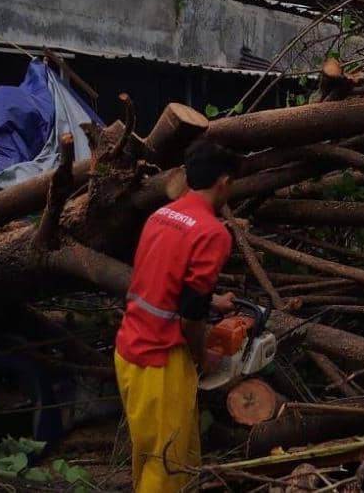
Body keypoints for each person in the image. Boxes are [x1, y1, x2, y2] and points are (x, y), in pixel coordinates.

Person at [114, 140, 241, 493]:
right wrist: (204, 356)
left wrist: (212, 300)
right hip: (161, 360)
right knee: (167, 468)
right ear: (224, 182)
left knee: (160, 456)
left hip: (130, 350)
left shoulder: (162, 216)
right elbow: (190, 318)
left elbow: (162, 283)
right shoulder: (212, 233)